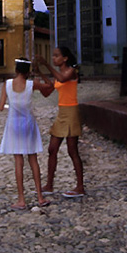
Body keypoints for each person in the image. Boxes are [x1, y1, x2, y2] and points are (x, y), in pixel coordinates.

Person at [0, 58, 53, 211]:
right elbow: (50, 87)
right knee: (33, 160)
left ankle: (21, 199)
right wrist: (41, 74)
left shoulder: (7, 84)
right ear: (28, 72)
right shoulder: (31, 85)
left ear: (16, 70)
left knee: (18, 161)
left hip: (13, 124)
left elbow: (1, 107)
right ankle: (40, 196)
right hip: (28, 124)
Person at [34, 47, 85, 198]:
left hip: (71, 113)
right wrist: (40, 74)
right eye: (53, 56)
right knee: (52, 149)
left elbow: (62, 79)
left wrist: (46, 65)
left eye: (56, 56)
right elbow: (47, 91)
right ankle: (49, 185)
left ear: (65, 58)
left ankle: (80, 186)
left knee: (72, 150)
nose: (54, 58)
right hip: (62, 113)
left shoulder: (71, 71)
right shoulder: (58, 75)